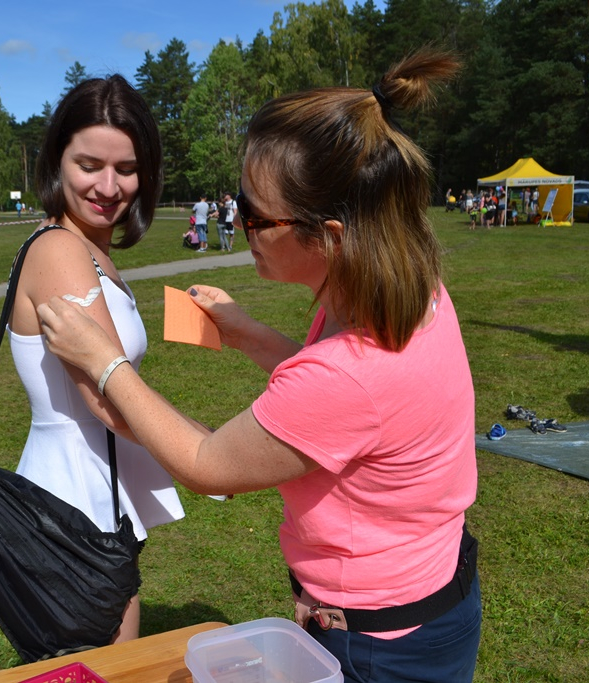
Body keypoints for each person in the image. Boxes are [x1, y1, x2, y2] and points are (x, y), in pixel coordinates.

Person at [36, 51, 480, 683]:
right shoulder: (410, 290)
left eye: (254, 215)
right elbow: (362, 412)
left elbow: (208, 463)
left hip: (383, 645)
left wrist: (106, 364)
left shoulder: (350, 371)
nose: (239, 222)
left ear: (328, 235)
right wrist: (247, 334)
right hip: (431, 600)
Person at [9, 74, 184, 645]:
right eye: (89, 165)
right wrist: (206, 453)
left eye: (127, 169)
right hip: (72, 500)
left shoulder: (88, 249)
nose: (109, 186)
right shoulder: (59, 249)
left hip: (98, 488)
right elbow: (107, 400)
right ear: (56, 161)